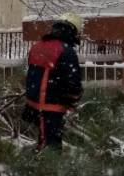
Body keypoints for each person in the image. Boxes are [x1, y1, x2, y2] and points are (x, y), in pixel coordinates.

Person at [23, 13, 83, 149]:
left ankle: (41, 166)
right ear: (72, 31)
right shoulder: (65, 50)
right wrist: (74, 98)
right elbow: (73, 81)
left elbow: (32, 73)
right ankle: (47, 169)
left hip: (34, 103)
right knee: (51, 146)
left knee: (43, 140)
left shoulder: (37, 46)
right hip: (51, 106)